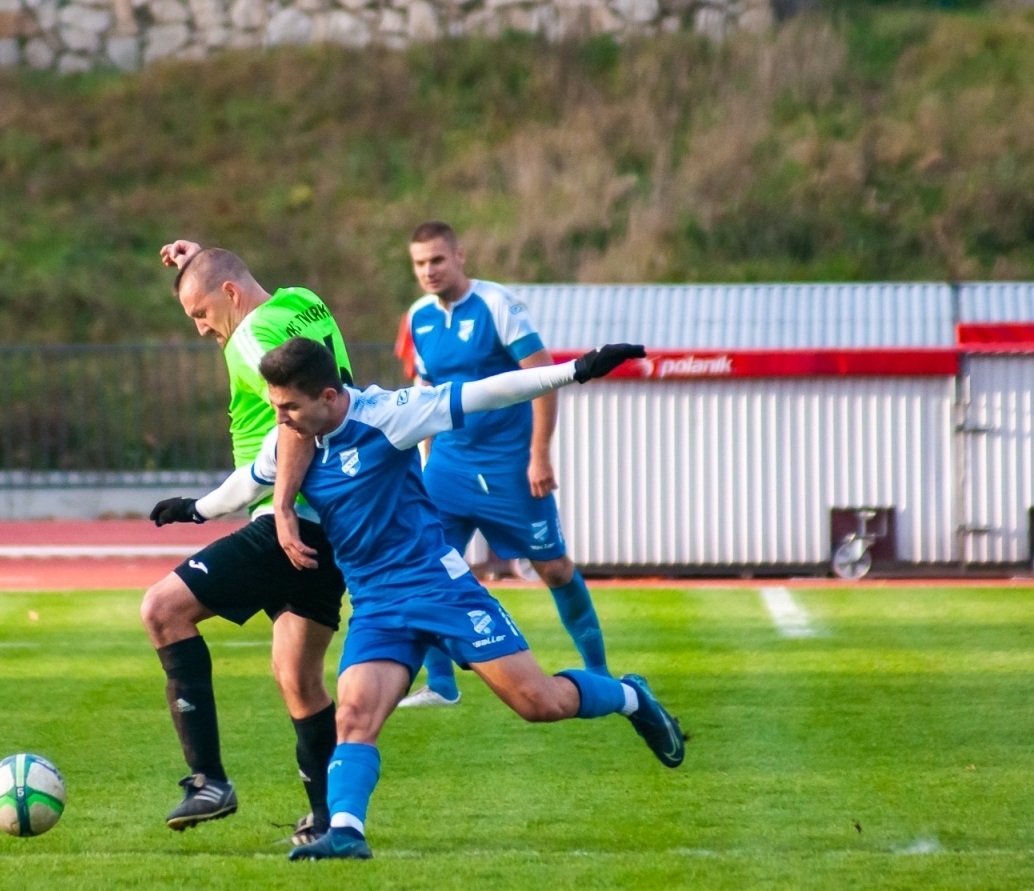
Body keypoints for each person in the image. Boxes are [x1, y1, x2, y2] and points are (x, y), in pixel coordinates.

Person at [155, 338, 684, 862]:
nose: (282, 418)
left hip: (440, 589)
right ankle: (345, 831)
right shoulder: (292, 439)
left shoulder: (390, 414)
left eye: (290, 406)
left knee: (539, 703)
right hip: (376, 605)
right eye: (275, 407)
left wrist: (577, 370)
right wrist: (191, 509)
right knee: (356, 716)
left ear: (330, 395)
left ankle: (631, 696)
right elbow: (244, 486)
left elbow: (488, 392)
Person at [142, 242, 350, 844]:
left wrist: (280, 507)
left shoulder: (250, 336)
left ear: (230, 296)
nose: (203, 329)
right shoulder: (303, 303)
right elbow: (228, 274)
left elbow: (294, 417)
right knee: (297, 676)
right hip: (335, 517)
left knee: (162, 609)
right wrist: (199, 255)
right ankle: (330, 815)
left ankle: (208, 778)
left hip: (290, 520)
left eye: (201, 314)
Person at [396, 220, 609, 708]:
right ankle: (442, 684)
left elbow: (545, 378)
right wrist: (426, 464)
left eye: (436, 260)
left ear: (459, 256)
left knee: (554, 568)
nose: (428, 271)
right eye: (419, 264)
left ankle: (597, 671)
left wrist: (539, 455)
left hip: (509, 468)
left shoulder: (498, 305)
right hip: (448, 467)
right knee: (426, 564)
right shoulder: (418, 318)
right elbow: (427, 396)